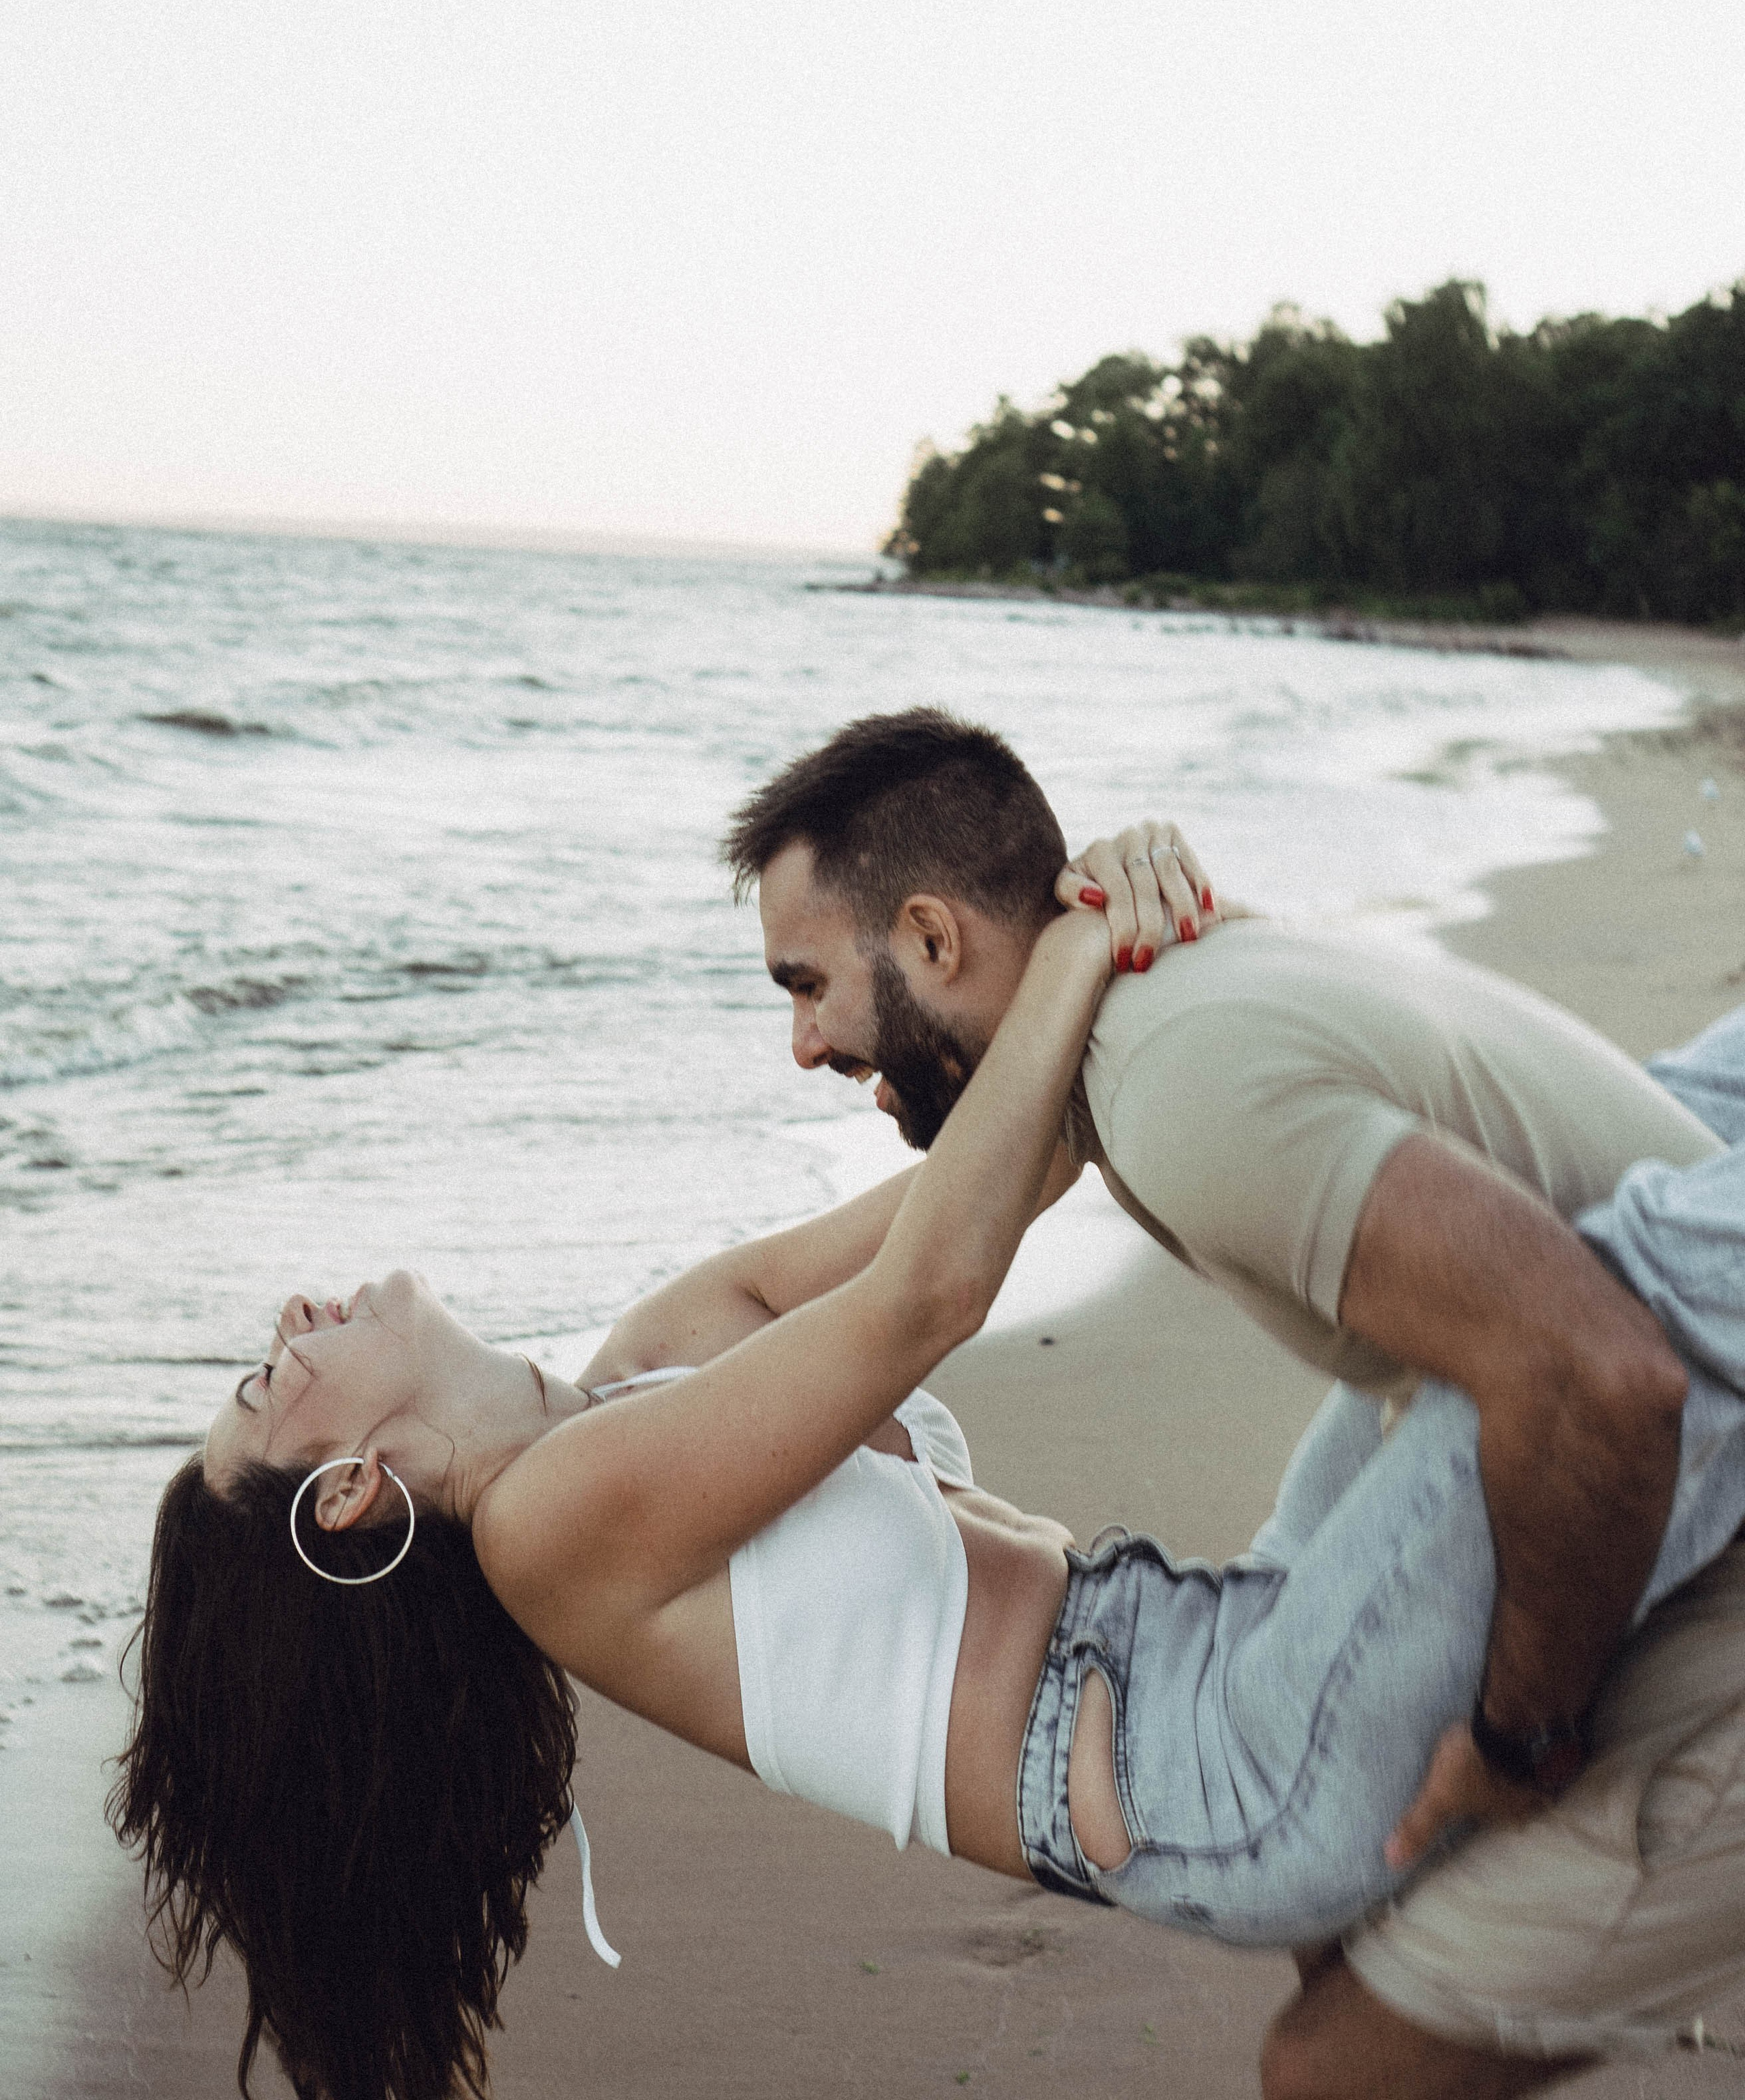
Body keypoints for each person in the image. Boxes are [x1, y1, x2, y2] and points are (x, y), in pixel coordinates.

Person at [114, 870, 1745, 2100]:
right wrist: (1084, 939)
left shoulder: (652, 1358)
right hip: (1228, 1767)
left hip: (1229, 1623)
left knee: (1616, 1194)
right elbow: (930, 1296)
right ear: (349, 1500)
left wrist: (1150, 926)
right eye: (271, 1387)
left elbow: (1000, 1172)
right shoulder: (554, 1536)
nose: (292, 1324)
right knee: (1610, 1321)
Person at [723, 708, 1745, 2086]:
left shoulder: (1172, 1088)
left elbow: (1604, 1379)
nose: (800, 1045)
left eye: (804, 985)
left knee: (1333, 2068)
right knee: (1342, 1934)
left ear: (928, 939)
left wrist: (1522, 1732)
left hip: (1695, 1486)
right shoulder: (1152, 1013)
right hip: (1671, 1458)